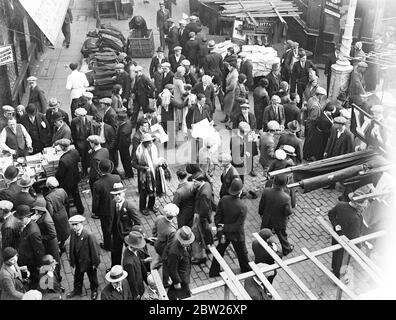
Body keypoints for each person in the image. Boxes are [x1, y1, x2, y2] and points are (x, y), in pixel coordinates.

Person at [209, 178, 251, 277]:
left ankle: (214, 271)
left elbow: (217, 217)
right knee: (242, 253)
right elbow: (238, 226)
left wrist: (221, 228)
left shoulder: (223, 200)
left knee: (220, 250)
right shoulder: (242, 207)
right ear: (240, 191)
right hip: (237, 235)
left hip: (224, 234)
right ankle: (245, 269)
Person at [328, 189, 366, 278]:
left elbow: (331, 214)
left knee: (336, 254)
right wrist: (359, 248)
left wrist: (336, 225)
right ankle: (339, 276)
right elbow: (355, 236)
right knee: (343, 260)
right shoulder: (356, 218)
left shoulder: (340, 205)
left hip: (336, 236)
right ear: (357, 204)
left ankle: (334, 269)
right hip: (347, 242)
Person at [258, 174, 294, 256]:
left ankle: (261, 247)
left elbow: (261, 205)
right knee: (282, 235)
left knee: (263, 233)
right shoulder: (286, 197)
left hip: (267, 218)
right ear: (285, 184)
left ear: (274, 181)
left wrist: (261, 213)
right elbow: (288, 212)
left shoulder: (266, 191)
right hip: (280, 221)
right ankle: (286, 249)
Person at [67, 215, 100, 300]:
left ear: (81, 224)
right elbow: (72, 246)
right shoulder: (73, 232)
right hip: (78, 261)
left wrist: (95, 263)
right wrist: (72, 259)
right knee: (77, 277)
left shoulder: (89, 235)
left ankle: (94, 290)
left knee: (92, 278)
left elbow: (95, 251)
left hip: (88, 262)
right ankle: (77, 290)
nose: (74, 227)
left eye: (76, 224)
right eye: (73, 225)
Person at [109, 182, 141, 266]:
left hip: (127, 234)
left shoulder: (129, 206)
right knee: (115, 252)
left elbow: (137, 222)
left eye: (119, 194)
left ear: (123, 193)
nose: (117, 196)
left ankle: (135, 266)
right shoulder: (112, 203)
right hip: (116, 233)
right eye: (115, 195)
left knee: (131, 251)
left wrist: (132, 233)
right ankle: (116, 268)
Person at [92, 159, 121, 250]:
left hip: (105, 211)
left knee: (106, 230)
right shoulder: (117, 178)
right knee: (116, 225)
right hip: (116, 207)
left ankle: (108, 245)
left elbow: (96, 200)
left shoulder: (97, 184)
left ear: (100, 169)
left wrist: (95, 211)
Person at [14, 204, 45, 288]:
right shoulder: (26, 225)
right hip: (27, 259)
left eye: (21, 219)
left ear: (27, 217)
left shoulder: (33, 232)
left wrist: (39, 265)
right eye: (18, 218)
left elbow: (38, 250)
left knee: (35, 278)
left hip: (32, 262)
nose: (19, 221)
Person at [132, 133, 162, 216]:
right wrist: (143, 168)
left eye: (151, 141)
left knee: (153, 190)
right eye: (148, 142)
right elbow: (133, 164)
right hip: (144, 176)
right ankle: (142, 208)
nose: (150, 143)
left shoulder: (154, 148)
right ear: (143, 143)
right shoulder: (138, 152)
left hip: (153, 173)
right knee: (143, 192)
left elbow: (157, 158)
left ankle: (151, 206)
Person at [54, 138, 84, 215]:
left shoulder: (63, 160)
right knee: (76, 195)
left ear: (62, 147)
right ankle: (80, 209)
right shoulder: (75, 152)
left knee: (65, 199)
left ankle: (67, 214)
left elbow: (60, 174)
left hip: (66, 183)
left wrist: (55, 176)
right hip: (75, 178)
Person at [152, 203, 178, 286]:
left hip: (157, 243)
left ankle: (152, 271)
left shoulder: (159, 218)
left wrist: (155, 237)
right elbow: (170, 246)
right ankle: (165, 281)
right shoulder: (171, 230)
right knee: (166, 264)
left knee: (158, 260)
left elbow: (154, 230)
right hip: (164, 249)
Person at [166, 226, 194, 300]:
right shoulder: (174, 252)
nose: (187, 244)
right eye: (185, 242)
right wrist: (176, 282)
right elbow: (172, 268)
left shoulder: (187, 244)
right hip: (181, 277)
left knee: (174, 292)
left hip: (184, 273)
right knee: (184, 295)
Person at [191, 171, 214, 261]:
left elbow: (204, 209)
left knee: (201, 234)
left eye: (195, 182)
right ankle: (209, 246)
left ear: (200, 181)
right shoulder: (207, 184)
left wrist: (199, 218)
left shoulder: (203, 193)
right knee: (207, 232)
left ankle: (201, 255)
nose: (194, 183)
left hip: (202, 217)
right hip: (207, 215)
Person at [44, 177, 70, 254]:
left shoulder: (48, 197)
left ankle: (58, 248)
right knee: (65, 231)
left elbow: (50, 212)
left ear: (48, 186)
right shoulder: (62, 190)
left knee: (57, 233)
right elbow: (66, 201)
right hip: (64, 213)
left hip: (56, 218)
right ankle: (62, 245)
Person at [123, 231, 148, 300]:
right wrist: (136, 294)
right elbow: (131, 280)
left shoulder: (131, 251)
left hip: (140, 280)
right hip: (137, 287)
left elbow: (138, 262)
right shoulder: (128, 263)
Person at [70, 107, 92, 177]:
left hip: (88, 142)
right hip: (79, 142)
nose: (82, 117)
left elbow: (91, 132)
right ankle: (84, 171)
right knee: (82, 158)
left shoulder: (89, 120)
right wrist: (75, 142)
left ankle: (88, 170)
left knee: (88, 157)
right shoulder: (74, 121)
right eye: (80, 116)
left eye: (83, 115)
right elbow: (73, 133)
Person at [116, 112, 134, 179]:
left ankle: (128, 174)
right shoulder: (128, 122)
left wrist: (117, 146)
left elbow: (121, 140)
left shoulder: (123, 131)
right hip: (127, 144)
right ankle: (129, 172)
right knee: (127, 159)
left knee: (125, 160)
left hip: (123, 146)